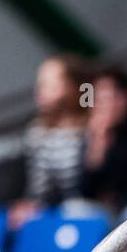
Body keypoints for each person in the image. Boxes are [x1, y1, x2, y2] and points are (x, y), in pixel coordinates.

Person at [8, 55, 89, 229]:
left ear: (73, 87)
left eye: (50, 85)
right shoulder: (37, 131)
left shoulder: (91, 128)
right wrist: (29, 205)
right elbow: (38, 187)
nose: (40, 91)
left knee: (76, 209)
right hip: (52, 210)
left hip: (85, 208)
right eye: (40, 84)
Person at [79, 67, 127, 215]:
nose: (105, 106)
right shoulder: (100, 133)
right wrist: (97, 149)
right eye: (98, 100)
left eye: (110, 98)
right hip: (116, 210)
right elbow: (86, 192)